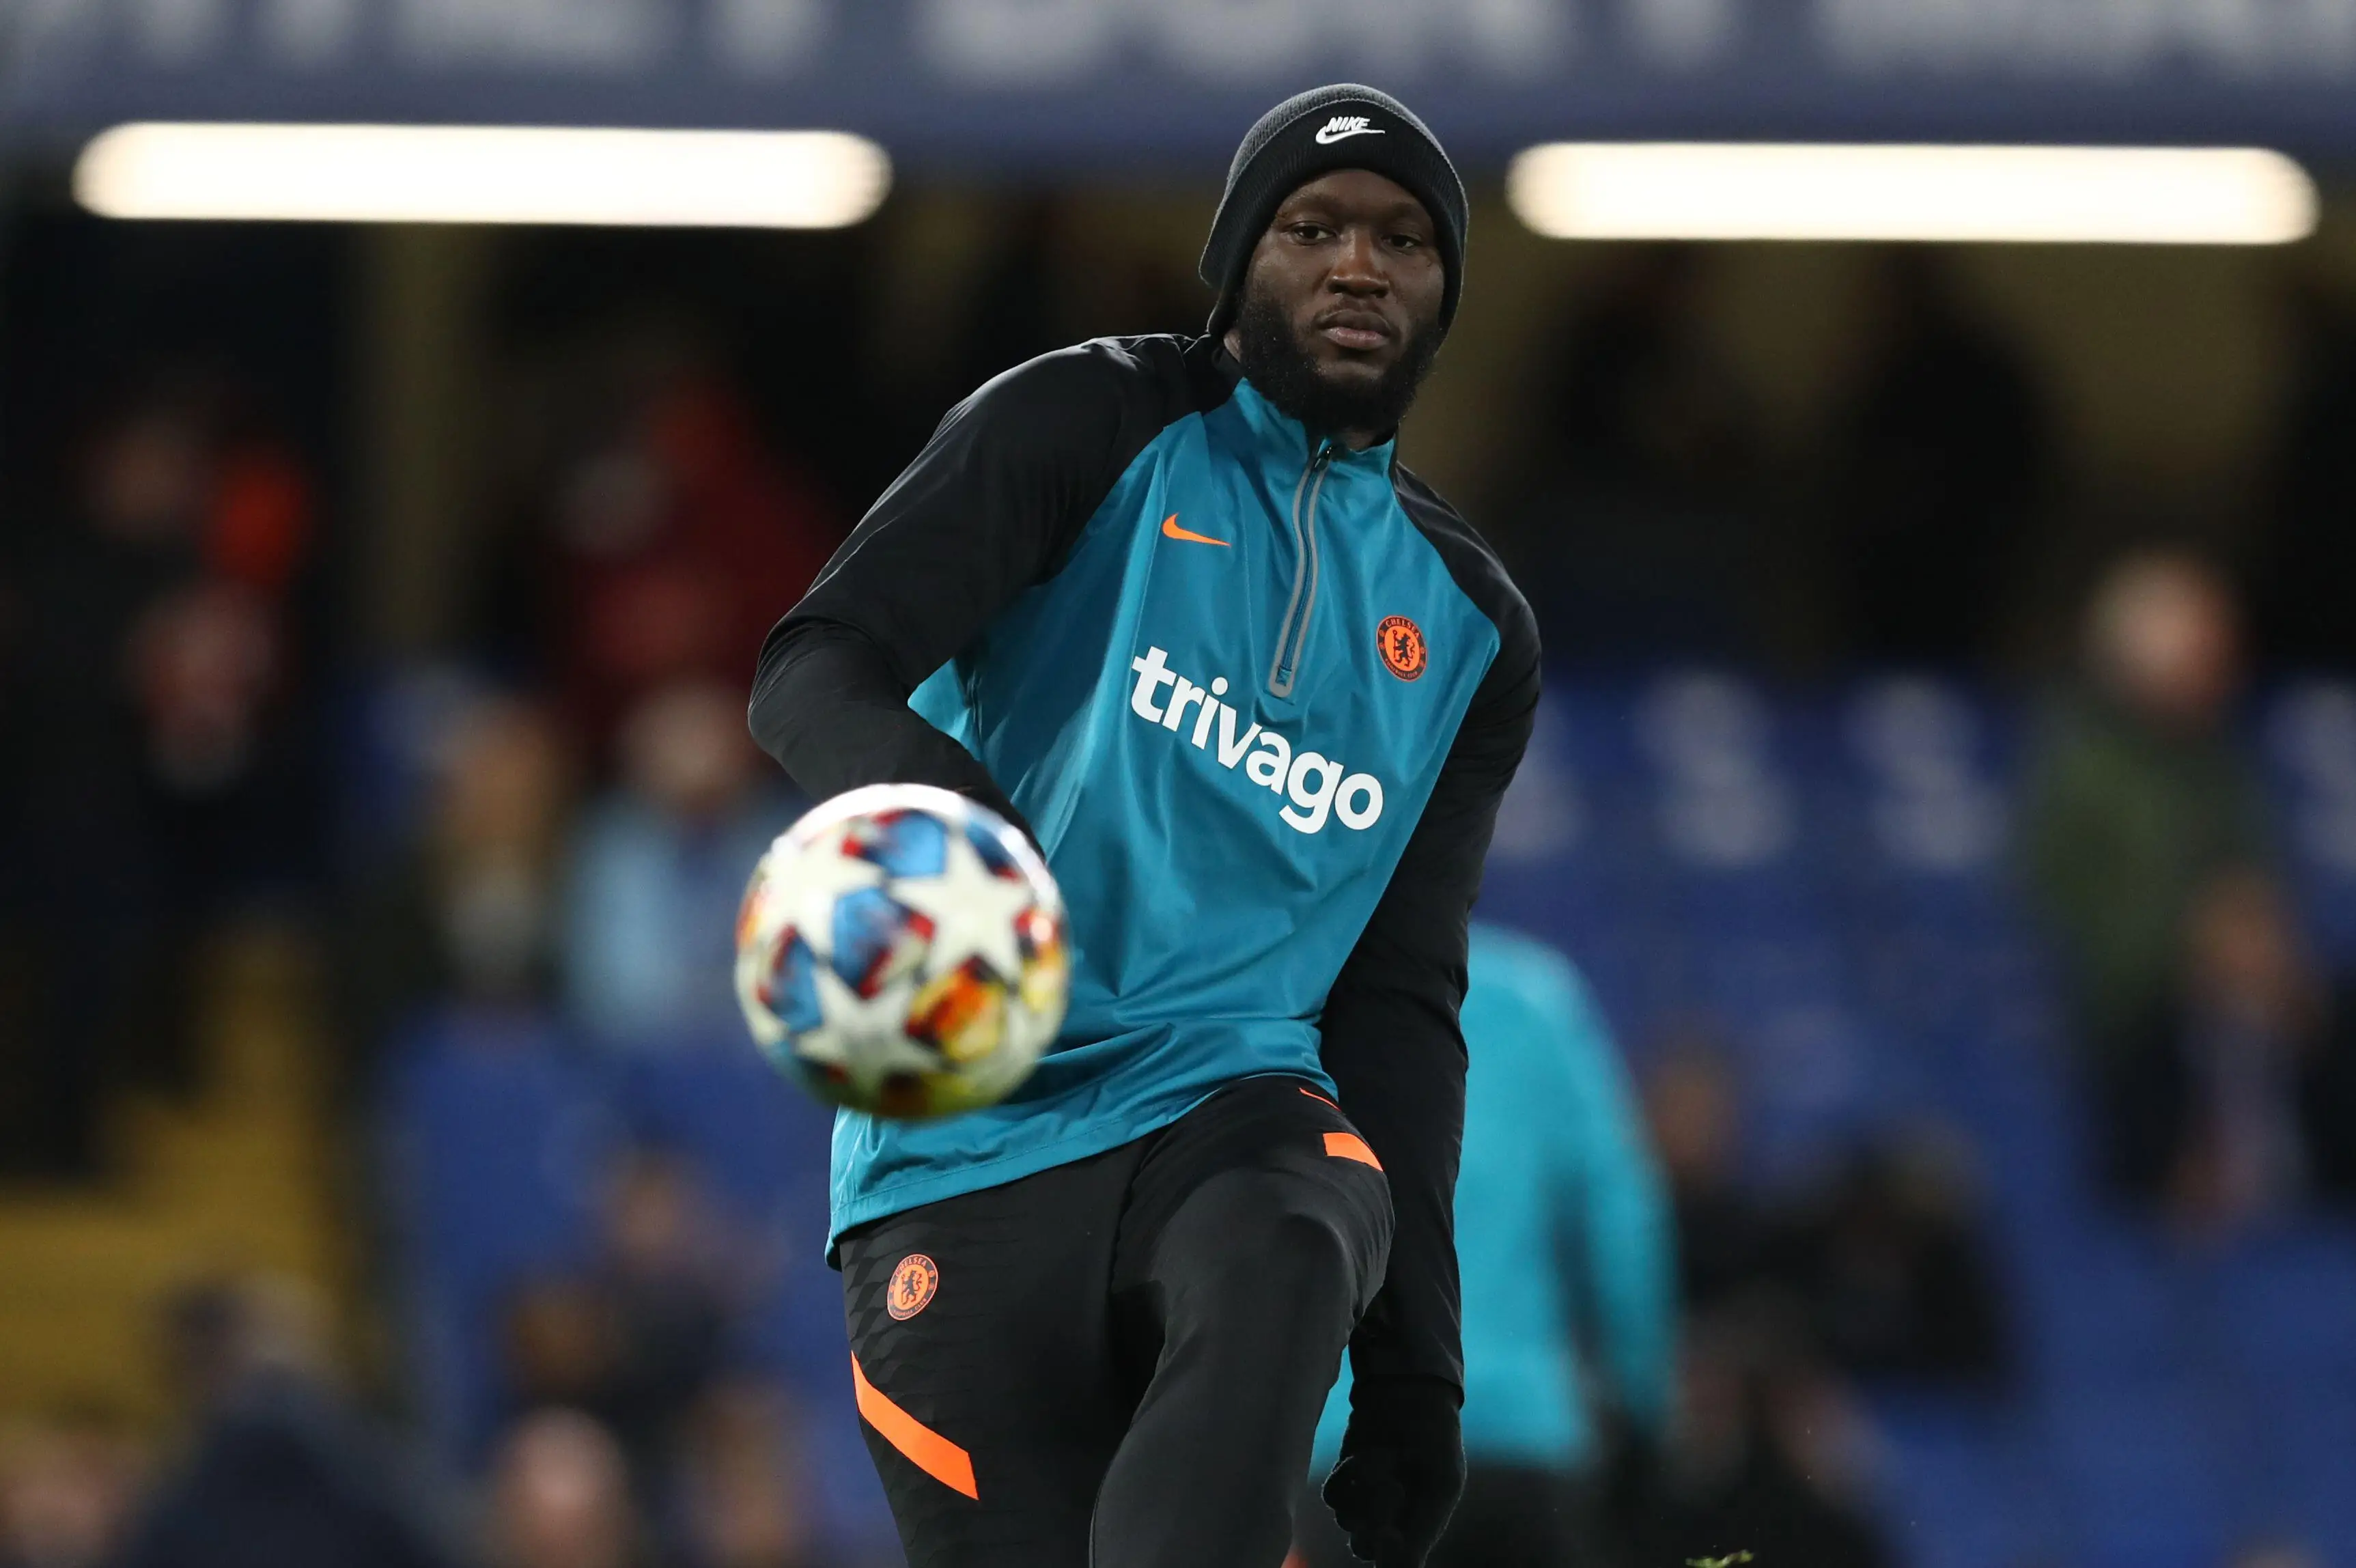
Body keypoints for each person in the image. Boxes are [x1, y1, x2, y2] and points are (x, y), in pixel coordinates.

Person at [749, 84, 1538, 1568]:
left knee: (1296, 1223)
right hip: (961, 1143)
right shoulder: (1081, 418)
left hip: (1230, 1105)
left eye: (1405, 240)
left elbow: (1398, 1001)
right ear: (1238, 266)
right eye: (1314, 228)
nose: (1360, 264)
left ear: (1444, 297)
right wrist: (970, 835)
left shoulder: (1475, 626)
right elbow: (812, 669)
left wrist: (1419, 1375)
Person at [1294, 924, 1676, 1568]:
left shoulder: (1302, 994)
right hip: (1524, 1443)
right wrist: (1645, 1411)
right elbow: (1623, 1224)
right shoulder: (1538, 1001)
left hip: (1347, 1447)